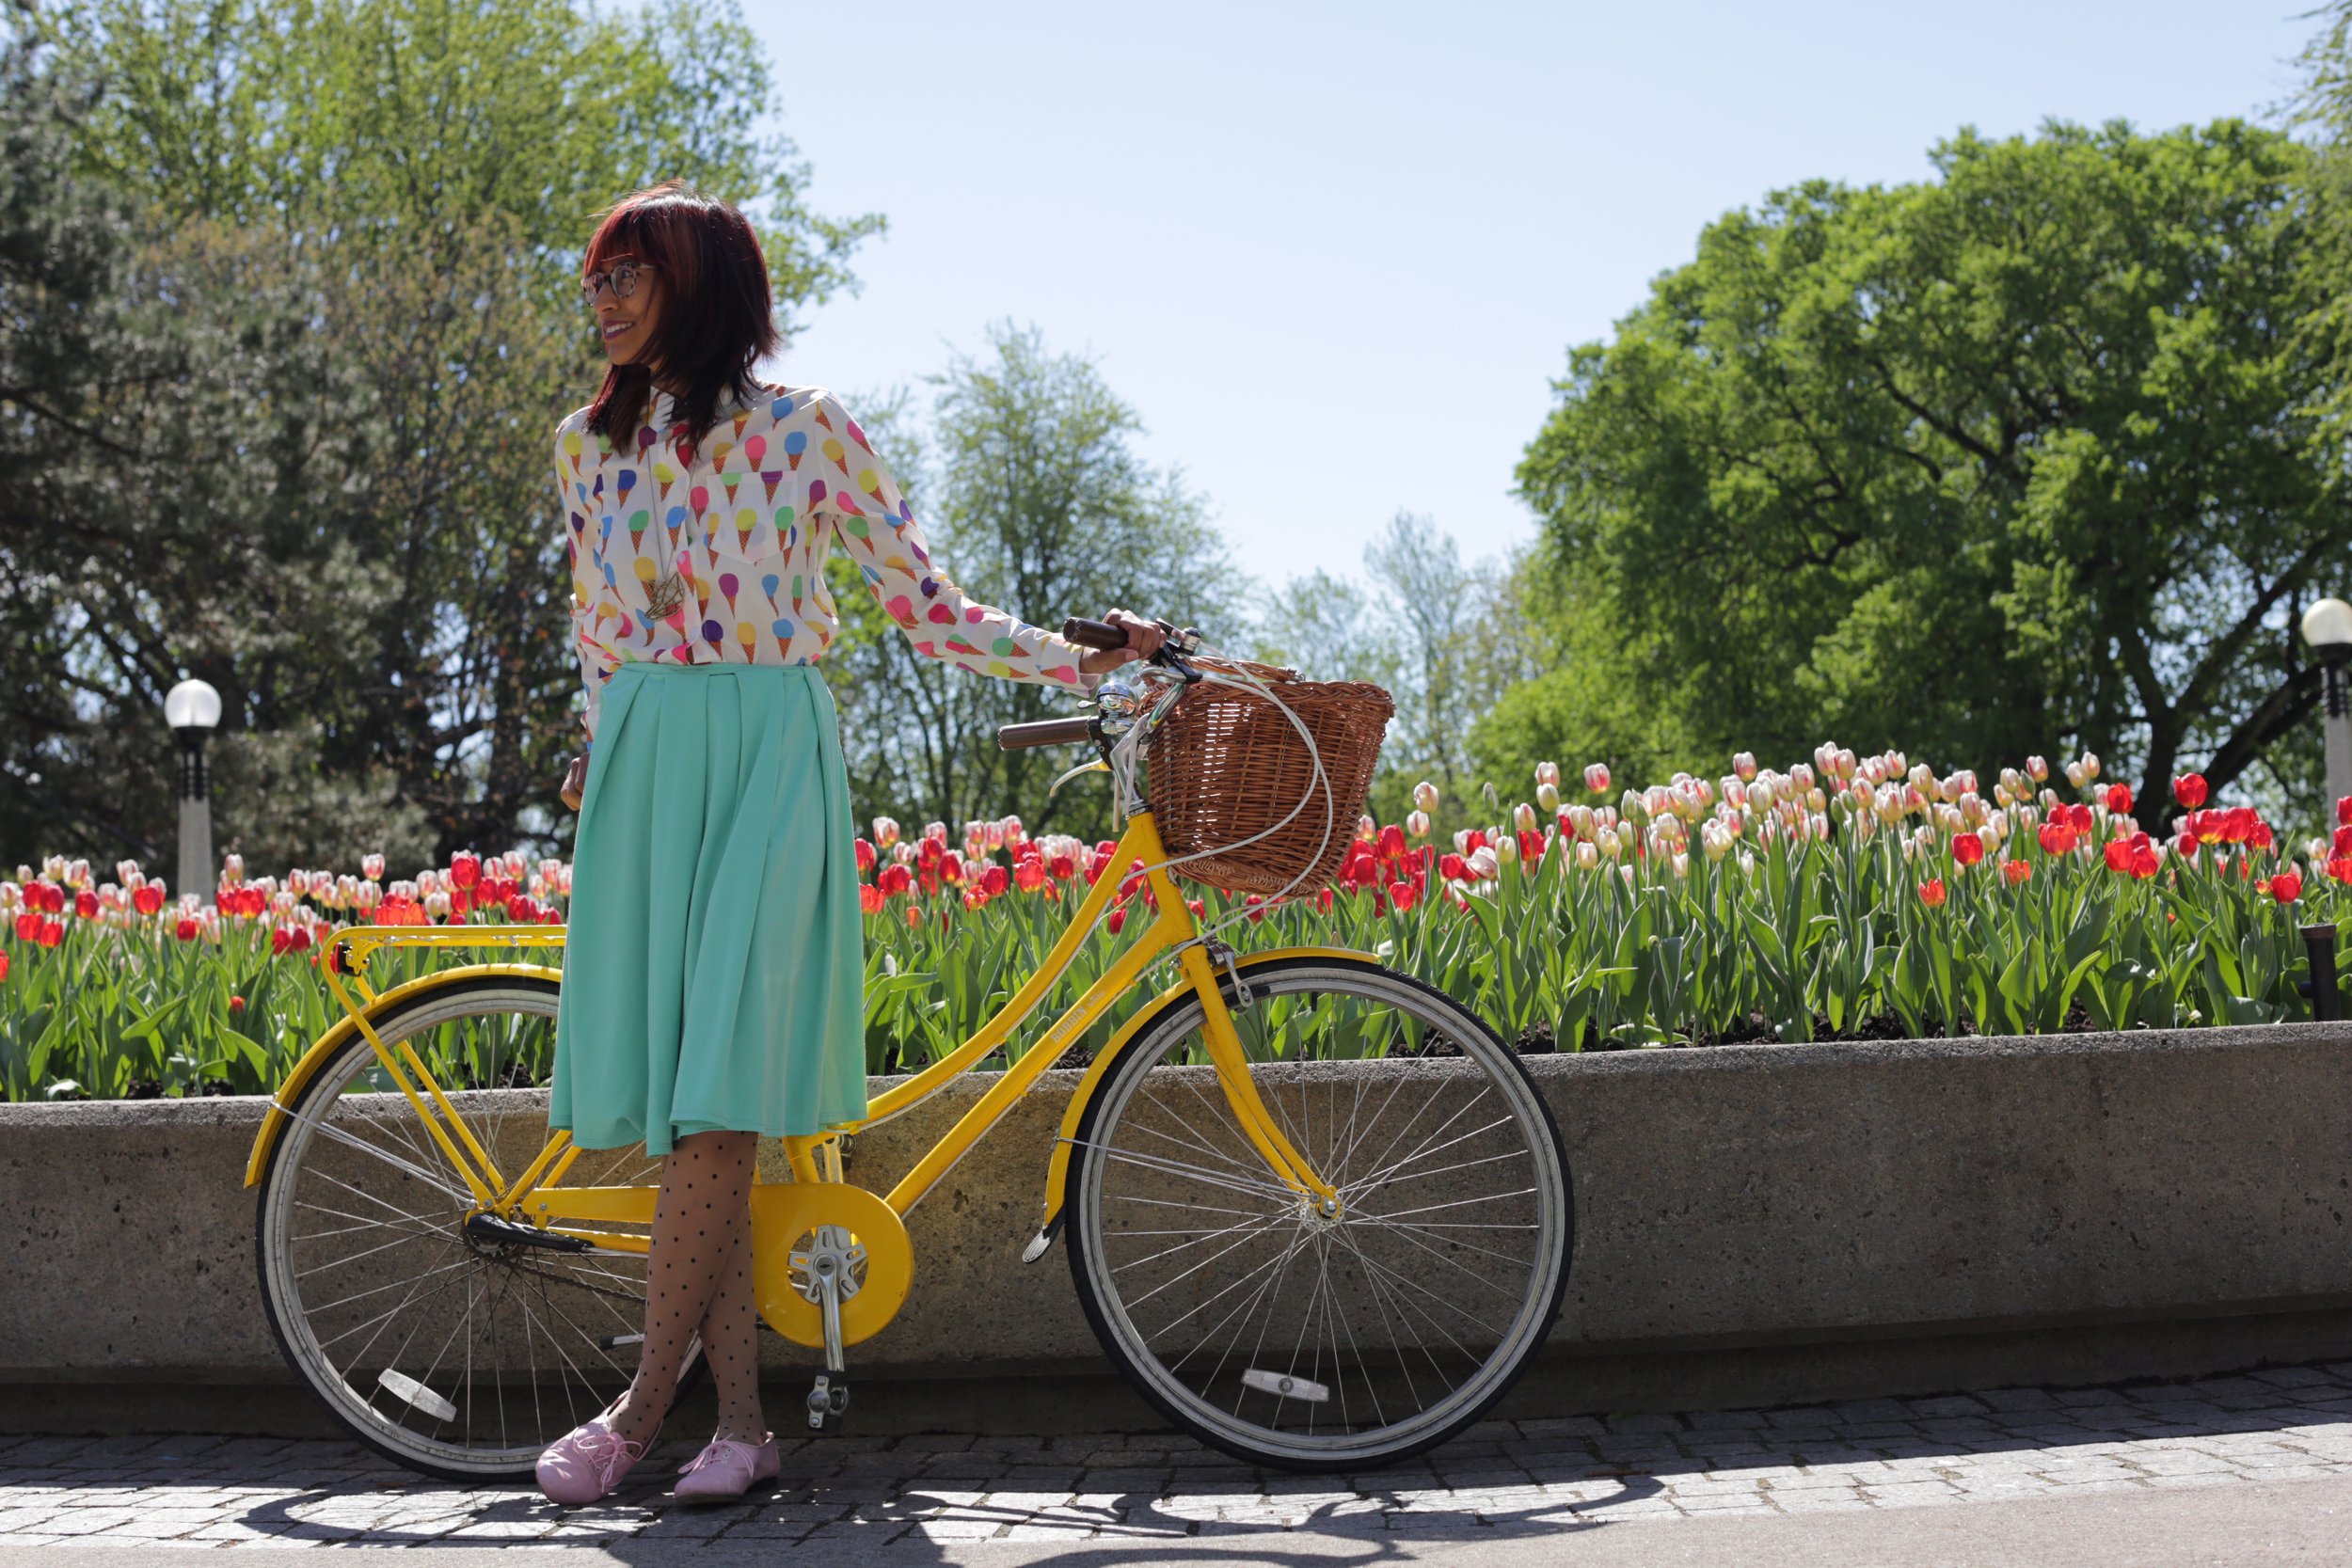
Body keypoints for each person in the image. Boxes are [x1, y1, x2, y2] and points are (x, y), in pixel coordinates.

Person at [532, 182, 1162, 1505]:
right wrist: (605, 756)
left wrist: (1073, 658)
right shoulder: (587, 449)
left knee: (717, 1096)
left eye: (626, 275)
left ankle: (639, 1415)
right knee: (689, 1111)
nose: (600, 298)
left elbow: (926, 608)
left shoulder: (808, 435)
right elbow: (595, 631)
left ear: (698, 286)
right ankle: (744, 1427)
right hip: (648, 755)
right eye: (595, 277)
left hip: (768, 754)